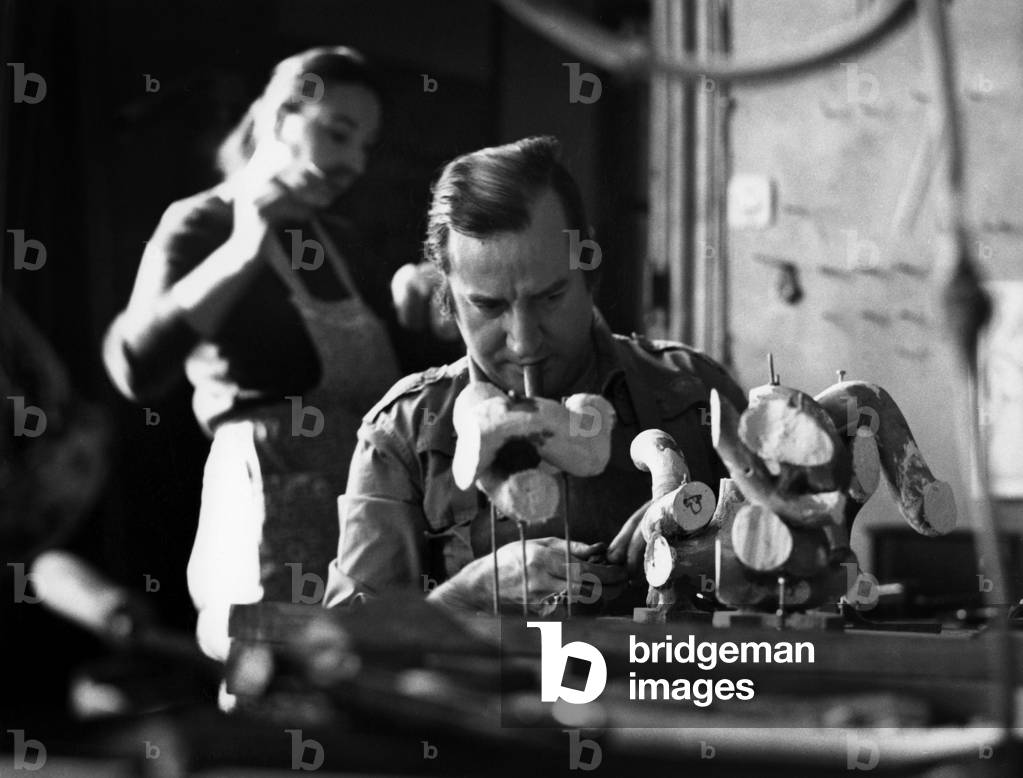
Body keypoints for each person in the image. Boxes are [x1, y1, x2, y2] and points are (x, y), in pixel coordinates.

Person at [323, 136, 747, 614]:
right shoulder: (403, 433)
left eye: (550, 298)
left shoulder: (695, 392)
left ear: (589, 271)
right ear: (448, 301)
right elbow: (348, 643)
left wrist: (709, 545)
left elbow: (789, 593)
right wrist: (466, 595)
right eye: (489, 306)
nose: (524, 342)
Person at [103, 47, 406, 660]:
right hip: (262, 510)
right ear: (280, 118)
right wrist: (244, 248)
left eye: (365, 146)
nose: (353, 163)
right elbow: (135, 367)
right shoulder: (199, 224)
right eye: (338, 134)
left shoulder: (344, 244)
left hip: (361, 513)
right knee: (272, 686)